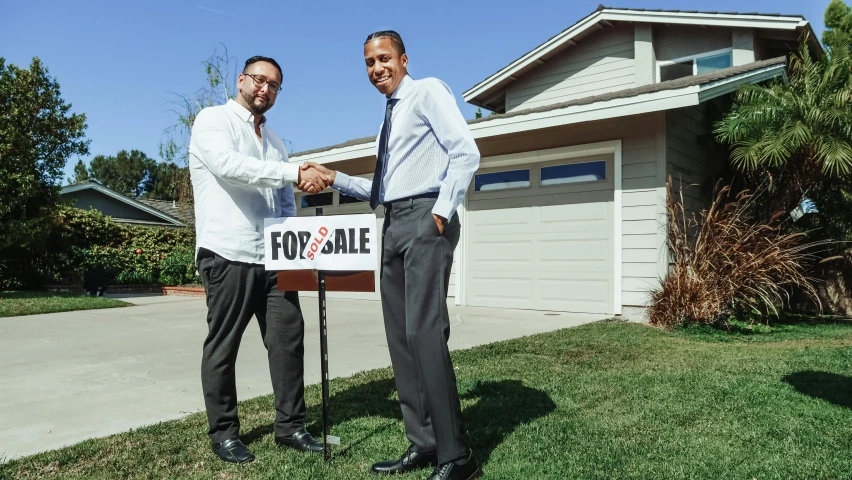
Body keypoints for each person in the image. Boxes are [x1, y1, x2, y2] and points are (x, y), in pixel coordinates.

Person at [301, 31, 481, 480]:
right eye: (368, 62)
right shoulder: (389, 116)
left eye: (384, 58)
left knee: (424, 333)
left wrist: (440, 214)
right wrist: (335, 177)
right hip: (394, 221)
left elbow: (465, 152)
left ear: (403, 59)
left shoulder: (425, 92)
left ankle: (458, 457)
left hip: (424, 218)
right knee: (401, 339)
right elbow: (384, 190)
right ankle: (423, 443)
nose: (376, 68)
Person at [188, 55, 330, 464]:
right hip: (228, 252)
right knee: (223, 345)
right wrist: (292, 171)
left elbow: (284, 202)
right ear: (241, 81)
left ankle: (290, 426)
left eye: (273, 85)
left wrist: (296, 248)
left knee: (288, 340)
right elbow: (230, 167)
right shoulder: (212, 121)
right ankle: (224, 433)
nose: (264, 89)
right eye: (258, 80)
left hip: (275, 257)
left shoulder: (276, 143)